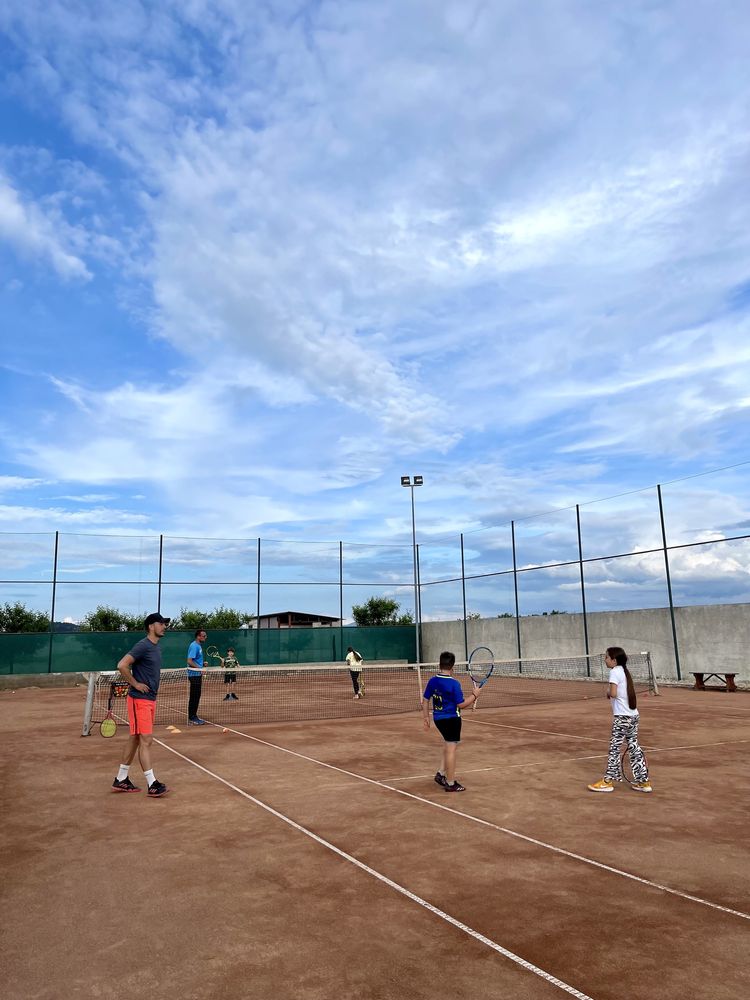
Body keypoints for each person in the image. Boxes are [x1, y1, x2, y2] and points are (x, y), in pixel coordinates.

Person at [111, 612, 170, 797]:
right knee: (146, 739)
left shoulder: (156, 648)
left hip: (150, 699)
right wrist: (135, 683)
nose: (164, 626)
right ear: (151, 626)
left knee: (136, 738)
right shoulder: (143, 646)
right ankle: (152, 784)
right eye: (161, 623)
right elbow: (122, 665)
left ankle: (121, 779)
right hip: (139, 700)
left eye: (165, 623)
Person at [588, 646, 652, 793]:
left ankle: (607, 781)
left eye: (606, 657)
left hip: (622, 718)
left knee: (614, 749)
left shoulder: (615, 672)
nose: (605, 660)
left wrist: (608, 692)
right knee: (634, 747)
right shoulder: (624, 671)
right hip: (633, 716)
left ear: (613, 660)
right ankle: (643, 781)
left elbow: (614, 693)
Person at [421, 651, 481, 792]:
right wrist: (474, 695)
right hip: (452, 720)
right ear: (453, 666)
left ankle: (441, 774)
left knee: (449, 745)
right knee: (451, 749)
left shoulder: (433, 681)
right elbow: (461, 704)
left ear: (439, 665)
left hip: (438, 719)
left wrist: (426, 717)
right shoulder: (454, 684)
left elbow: (425, 700)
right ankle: (450, 782)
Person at [187, 628, 208, 725]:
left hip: (197, 674)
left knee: (196, 696)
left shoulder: (198, 646)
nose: (205, 637)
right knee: (194, 696)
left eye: (205, 636)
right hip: (194, 675)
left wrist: (202, 664)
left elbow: (195, 660)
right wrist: (200, 668)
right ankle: (192, 717)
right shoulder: (194, 646)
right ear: (198, 636)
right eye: (204, 636)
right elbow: (189, 661)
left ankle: (193, 716)